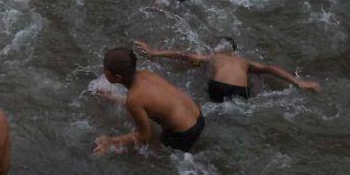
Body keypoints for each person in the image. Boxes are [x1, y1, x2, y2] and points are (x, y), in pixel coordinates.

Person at [134, 37, 320, 103]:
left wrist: (154, 53)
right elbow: (271, 69)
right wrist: (298, 82)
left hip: (219, 87)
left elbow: (183, 55)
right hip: (241, 91)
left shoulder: (215, 57)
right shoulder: (244, 61)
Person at [94, 46, 205, 154]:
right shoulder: (145, 74)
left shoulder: (133, 100)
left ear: (117, 77)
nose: (103, 70)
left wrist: (112, 141)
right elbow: (148, 102)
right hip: (198, 116)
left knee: (151, 153)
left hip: (185, 135)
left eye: (105, 70)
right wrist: (112, 97)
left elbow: (144, 136)